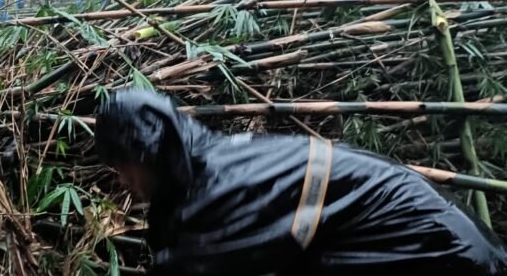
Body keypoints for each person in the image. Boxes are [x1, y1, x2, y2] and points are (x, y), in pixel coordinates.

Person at [94, 88, 507, 275]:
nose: (124, 181)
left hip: (442, 252)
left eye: (123, 166)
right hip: (437, 242)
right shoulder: (216, 165)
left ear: (149, 153)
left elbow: (195, 264)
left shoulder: (221, 187)